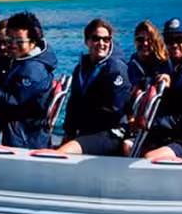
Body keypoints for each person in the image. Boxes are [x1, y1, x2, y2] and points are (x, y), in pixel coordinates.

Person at [0, 11, 58, 148]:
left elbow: (12, 105)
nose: (12, 45)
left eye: (19, 41)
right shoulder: (19, 60)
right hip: (10, 130)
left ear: (33, 42)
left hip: (23, 137)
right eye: (9, 40)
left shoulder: (33, 70)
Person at [55, 18, 132, 155]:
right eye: (96, 38)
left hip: (111, 132)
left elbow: (114, 110)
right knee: (61, 146)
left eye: (106, 39)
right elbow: (73, 103)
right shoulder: (81, 68)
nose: (101, 43)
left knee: (64, 152)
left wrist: (81, 127)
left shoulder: (116, 69)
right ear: (87, 42)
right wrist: (69, 131)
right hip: (88, 131)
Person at [138, 15, 182, 155]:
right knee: (129, 143)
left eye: (179, 39)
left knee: (149, 156)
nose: (174, 44)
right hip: (171, 131)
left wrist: (154, 124)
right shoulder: (171, 65)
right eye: (169, 40)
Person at [127, 20, 169, 94]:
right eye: (140, 39)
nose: (145, 43)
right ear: (135, 41)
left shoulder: (164, 62)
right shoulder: (132, 65)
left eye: (149, 40)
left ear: (155, 41)